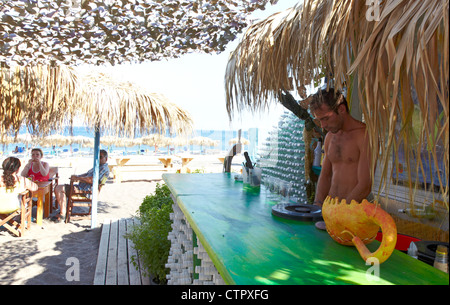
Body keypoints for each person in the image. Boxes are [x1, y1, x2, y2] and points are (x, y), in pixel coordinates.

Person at [309, 88, 374, 230]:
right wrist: (318, 206)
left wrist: (340, 214)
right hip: (329, 216)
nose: (323, 125)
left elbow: (365, 185)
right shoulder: (330, 137)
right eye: (319, 120)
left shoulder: (364, 136)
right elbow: (325, 175)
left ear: (342, 109)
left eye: (325, 118)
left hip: (351, 218)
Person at [53, 149, 109, 222]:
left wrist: (78, 178)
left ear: (106, 159)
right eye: (97, 157)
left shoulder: (103, 168)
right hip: (82, 188)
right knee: (59, 187)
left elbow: (93, 180)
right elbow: (87, 174)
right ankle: (63, 211)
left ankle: (63, 213)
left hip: (86, 191)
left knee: (59, 188)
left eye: (100, 157)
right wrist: (77, 176)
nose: (98, 159)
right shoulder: (97, 166)